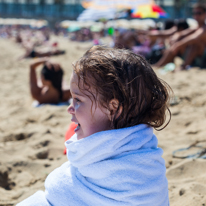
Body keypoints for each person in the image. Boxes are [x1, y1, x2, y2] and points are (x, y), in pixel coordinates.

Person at [18, 46, 171, 206]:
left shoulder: (131, 181)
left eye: (78, 100)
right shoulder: (146, 162)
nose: (69, 108)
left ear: (113, 108)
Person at [154, 3, 206, 70]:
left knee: (195, 44)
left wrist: (178, 44)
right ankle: (159, 65)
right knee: (179, 41)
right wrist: (176, 38)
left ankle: (183, 66)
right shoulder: (195, 28)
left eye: (199, 13)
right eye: (194, 13)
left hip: (202, 60)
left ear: (205, 14)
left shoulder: (204, 28)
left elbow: (194, 37)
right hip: (193, 58)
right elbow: (180, 34)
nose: (196, 15)